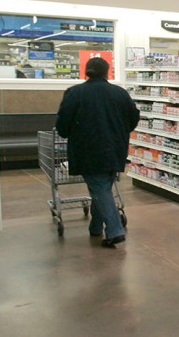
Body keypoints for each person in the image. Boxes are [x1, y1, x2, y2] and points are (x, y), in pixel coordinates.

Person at [56, 57, 140, 248]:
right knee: (102, 187)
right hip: (116, 148)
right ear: (107, 72)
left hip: (88, 149)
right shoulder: (119, 93)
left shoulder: (75, 93)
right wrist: (120, 130)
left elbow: (62, 124)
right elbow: (133, 117)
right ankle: (95, 226)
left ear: (86, 71)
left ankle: (115, 230)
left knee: (100, 188)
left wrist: (70, 132)